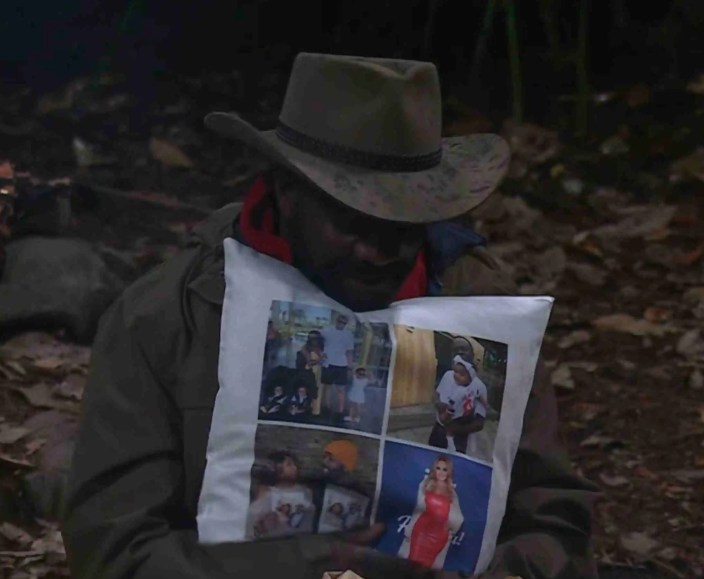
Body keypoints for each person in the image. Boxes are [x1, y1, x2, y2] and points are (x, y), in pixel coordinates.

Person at [62, 54, 599, 579]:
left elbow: (552, 517)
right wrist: (307, 565)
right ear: (288, 193)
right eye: (353, 221)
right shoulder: (168, 314)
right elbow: (114, 550)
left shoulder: (478, 301)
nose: (378, 251)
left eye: (405, 226)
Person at [400, 456, 464, 570]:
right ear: (434, 469)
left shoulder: (451, 492)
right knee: (412, 564)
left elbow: (459, 518)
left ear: (449, 472)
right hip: (421, 531)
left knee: (427, 569)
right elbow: (418, 507)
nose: (441, 472)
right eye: (438, 468)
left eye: (445, 469)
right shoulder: (426, 484)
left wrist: (450, 527)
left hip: (439, 537)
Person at [247, 452, 315, 539]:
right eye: (289, 464)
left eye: (295, 464)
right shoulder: (268, 492)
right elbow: (253, 520)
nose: (295, 468)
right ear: (277, 468)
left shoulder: (305, 491)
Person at [322, 315, 356, 419]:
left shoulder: (348, 335)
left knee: (341, 389)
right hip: (328, 363)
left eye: (344, 322)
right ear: (336, 321)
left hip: (342, 364)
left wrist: (350, 367)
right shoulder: (326, 330)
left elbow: (349, 352)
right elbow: (316, 341)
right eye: (340, 321)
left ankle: (340, 410)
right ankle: (326, 407)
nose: (341, 324)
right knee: (327, 386)